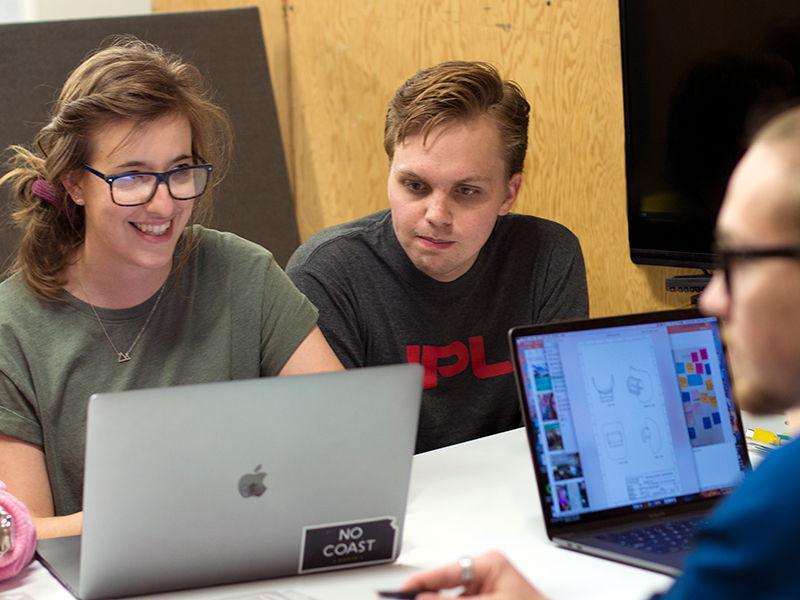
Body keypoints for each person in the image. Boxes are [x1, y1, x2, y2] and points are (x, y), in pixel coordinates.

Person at [400, 104, 800, 599]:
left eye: (740, 259)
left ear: (509, 192)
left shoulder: (782, 504)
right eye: (415, 184)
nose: (714, 298)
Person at [0, 38, 342, 540]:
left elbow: (344, 437)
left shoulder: (243, 272)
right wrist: (164, 511)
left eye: (179, 171)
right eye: (133, 176)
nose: (163, 205)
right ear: (75, 183)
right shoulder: (13, 330)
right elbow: (26, 537)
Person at [286, 61, 588, 453]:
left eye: (466, 191)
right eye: (415, 186)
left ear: (509, 194)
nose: (436, 216)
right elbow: (334, 459)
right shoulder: (328, 273)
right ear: (390, 173)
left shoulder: (547, 255)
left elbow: (560, 433)